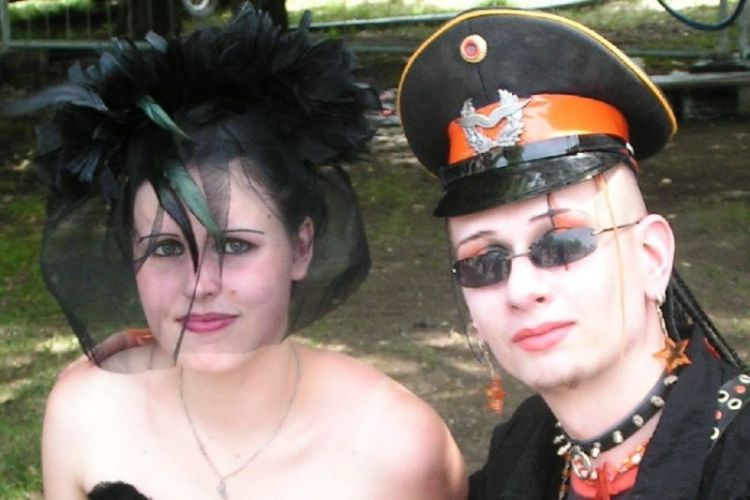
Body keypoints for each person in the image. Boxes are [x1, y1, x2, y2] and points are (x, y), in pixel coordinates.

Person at [9, 6, 467, 499]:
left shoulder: (396, 447)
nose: (200, 284)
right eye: (166, 247)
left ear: (301, 247)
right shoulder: (86, 414)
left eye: (234, 245)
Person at [398, 8, 750, 499]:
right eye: (484, 262)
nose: (521, 289)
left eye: (561, 243)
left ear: (651, 257)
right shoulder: (523, 448)